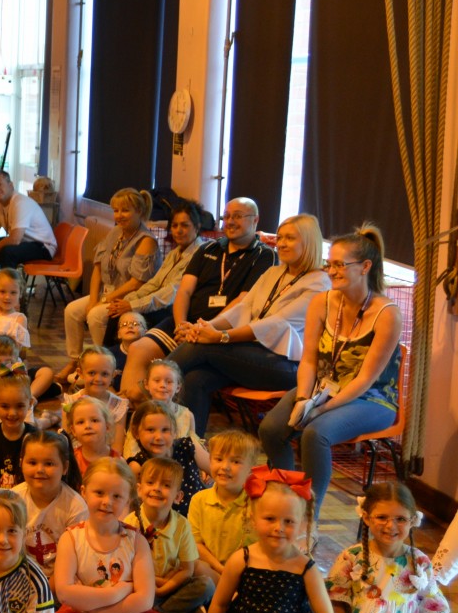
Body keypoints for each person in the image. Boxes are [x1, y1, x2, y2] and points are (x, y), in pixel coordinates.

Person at [259, 224, 403, 517]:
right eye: (330, 264)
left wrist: (320, 410)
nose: (332, 271)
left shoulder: (387, 313)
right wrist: (303, 399)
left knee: (315, 434)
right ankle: (288, 501)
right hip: (321, 390)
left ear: (365, 267)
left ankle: (309, 518)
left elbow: (365, 379)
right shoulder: (322, 302)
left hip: (371, 398)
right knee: (271, 428)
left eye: (340, 265)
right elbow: (309, 361)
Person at [171, 213, 330, 435]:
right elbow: (243, 308)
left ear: (309, 242)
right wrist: (205, 328)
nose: (282, 244)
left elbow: (277, 324)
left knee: (203, 347)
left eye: (290, 238)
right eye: (280, 238)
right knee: (195, 378)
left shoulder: (320, 283)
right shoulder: (273, 272)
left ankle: (149, 387)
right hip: (250, 355)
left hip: (287, 366)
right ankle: (187, 443)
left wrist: (220, 336)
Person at [200, 467, 337, 613]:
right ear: (253, 518)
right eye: (270, 519)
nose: (279, 528)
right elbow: (219, 604)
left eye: (289, 521)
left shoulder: (306, 568)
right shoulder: (241, 559)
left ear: (302, 524)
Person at [120, 197, 275, 405]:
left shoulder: (264, 255)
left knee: (173, 374)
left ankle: (143, 401)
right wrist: (181, 325)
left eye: (237, 216)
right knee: (139, 349)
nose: (230, 221)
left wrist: (203, 329)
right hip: (185, 323)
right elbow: (184, 291)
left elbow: (243, 302)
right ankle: (128, 412)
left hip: (220, 331)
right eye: (226, 216)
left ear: (255, 220)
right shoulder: (208, 249)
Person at [49, 458, 186, 613]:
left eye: (116, 496)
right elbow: (65, 593)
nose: (107, 502)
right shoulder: (71, 538)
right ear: (84, 492)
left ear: (128, 500)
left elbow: (145, 600)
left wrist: (96, 606)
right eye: (99, 493)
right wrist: (114, 593)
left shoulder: (136, 540)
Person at [328, 483, 458, 613]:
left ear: (412, 521)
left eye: (400, 519)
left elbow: (431, 600)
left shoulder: (419, 561)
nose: (391, 525)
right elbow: (336, 597)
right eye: (382, 517)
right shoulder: (352, 557)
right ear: (366, 517)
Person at [94, 199, 208, 378]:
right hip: (158, 303)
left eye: (185, 225)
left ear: (197, 226)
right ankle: (105, 365)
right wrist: (127, 300)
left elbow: (170, 294)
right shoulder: (175, 253)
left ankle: (112, 368)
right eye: (175, 225)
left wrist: (132, 306)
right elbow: (154, 284)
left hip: (175, 310)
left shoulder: (200, 253)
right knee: (116, 311)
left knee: (124, 315)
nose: (178, 230)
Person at [62, 188, 159, 368]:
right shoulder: (115, 232)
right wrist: (93, 299)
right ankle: (74, 361)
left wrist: (103, 301)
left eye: (125, 210)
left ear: (139, 211)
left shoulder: (146, 241)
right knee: (71, 311)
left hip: (128, 298)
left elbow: (136, 283)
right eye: (116, 210)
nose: (119, 215)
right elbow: (98, 267)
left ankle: (104, 363)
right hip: (107, 294)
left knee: (96, 316)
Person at [124, 457, 214, 613]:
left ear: (178, 496)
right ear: (139, 489)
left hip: (171, 588)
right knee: (123, 590)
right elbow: (126, 567)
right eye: (150, 482)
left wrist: (163, 589)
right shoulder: (130, 523)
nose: (157, 488)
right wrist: (156, 583)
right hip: (140, 588)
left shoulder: (181, 525)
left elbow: (187, 570)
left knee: (206, 585)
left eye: (166, 485)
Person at [0, 170, 56, 309]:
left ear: (10, 185)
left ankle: (8, 296)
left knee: (8, 251)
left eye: (0, 184)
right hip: (24, 242)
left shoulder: (20, 203)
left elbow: (14, 240)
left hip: (44, 247)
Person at [189, 429, 260, 584]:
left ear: (251, 469)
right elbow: (196, 544)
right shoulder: (199, 500)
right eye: (219, 459)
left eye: (235, 462)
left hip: (247, 574)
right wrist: (221, 570)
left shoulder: (257, 503)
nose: (225, 466)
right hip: (213, 571)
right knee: (194, 566)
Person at [13, 431, 88, 578]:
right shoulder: (14, 500)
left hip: (60, 580)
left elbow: (75, 562)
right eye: (32, 462)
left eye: (49, 463)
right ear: (21, 463)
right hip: (18, 577)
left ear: (65, 467)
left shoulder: (75, 507)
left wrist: (46, 588)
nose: (40, 470)